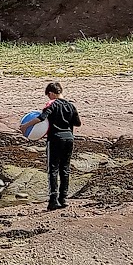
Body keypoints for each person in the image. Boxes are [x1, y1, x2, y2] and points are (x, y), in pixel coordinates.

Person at [41, 80, 81, 211]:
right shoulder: (71, 106)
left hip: (55, 139)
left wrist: (26, 126)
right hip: (69, 138)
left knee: (53, 169)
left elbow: (42, 118)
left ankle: (53, 200)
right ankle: (63, 198)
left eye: (48, 95)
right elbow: (78, 123)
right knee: (65, 169)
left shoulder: (51, 104)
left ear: (52, 93)